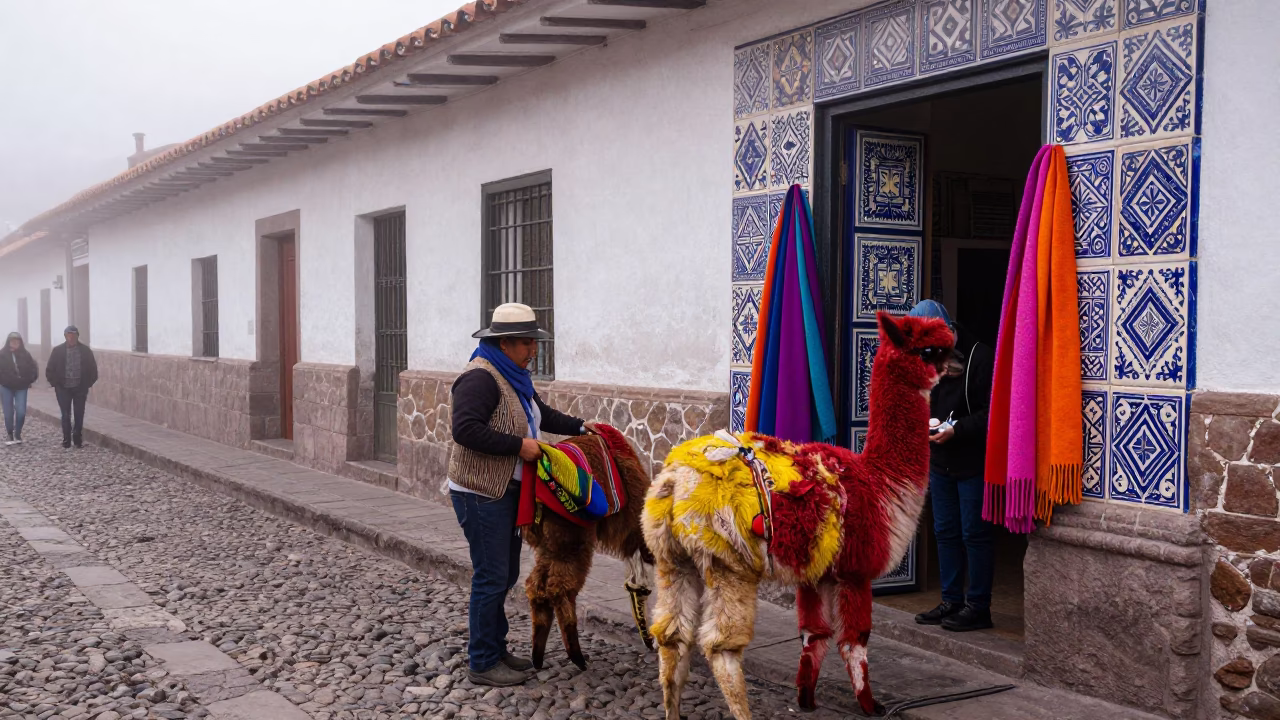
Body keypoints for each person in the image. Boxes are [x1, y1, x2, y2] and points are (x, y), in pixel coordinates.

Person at [448, 303, 588, 687]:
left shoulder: (514, 377)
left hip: (508, 491)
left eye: (534, 342)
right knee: (492, 575)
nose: (533, 350)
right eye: (527, 343)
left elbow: (540, 414)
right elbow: (465, 430)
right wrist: (518, 446)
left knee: (506, 573)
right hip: (481, 493)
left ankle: (496, 649)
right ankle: (482, 661)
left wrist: (582, 427)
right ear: (504, 343)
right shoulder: (480, 378)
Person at [908, 300, 997, 632]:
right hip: (940, 461)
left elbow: (993, 414)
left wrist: (957, 429)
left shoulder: (980, 357)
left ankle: (978, 607)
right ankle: (951, 601)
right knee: (945, 532)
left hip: (973, 459)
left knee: (975, 534)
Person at [45, 326, 98, 449]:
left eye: (73, 335)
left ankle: (77, 438)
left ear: (77, 336)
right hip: (63, 388)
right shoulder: (58, 351)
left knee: (79, 414)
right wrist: (55, 383)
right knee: (65, 414)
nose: (71, 337)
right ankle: (66, 439)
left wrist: (87, 383)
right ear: (65, 336)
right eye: (69, 335)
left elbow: (93, 369)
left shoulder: (85, 351)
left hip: (80, 388)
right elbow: (50, 369)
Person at [0, 332, 39, 445]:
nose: (14, 343)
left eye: (17, 341)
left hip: (21, 387)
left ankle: (18, 433)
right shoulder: (2, 354)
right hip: (6, 387)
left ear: (20, 342)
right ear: (8, 342)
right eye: (12, 341)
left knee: (21, 411)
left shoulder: (26, 355)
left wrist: (29, 380)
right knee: (8, 412)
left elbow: (33, 368)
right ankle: (10, 433)